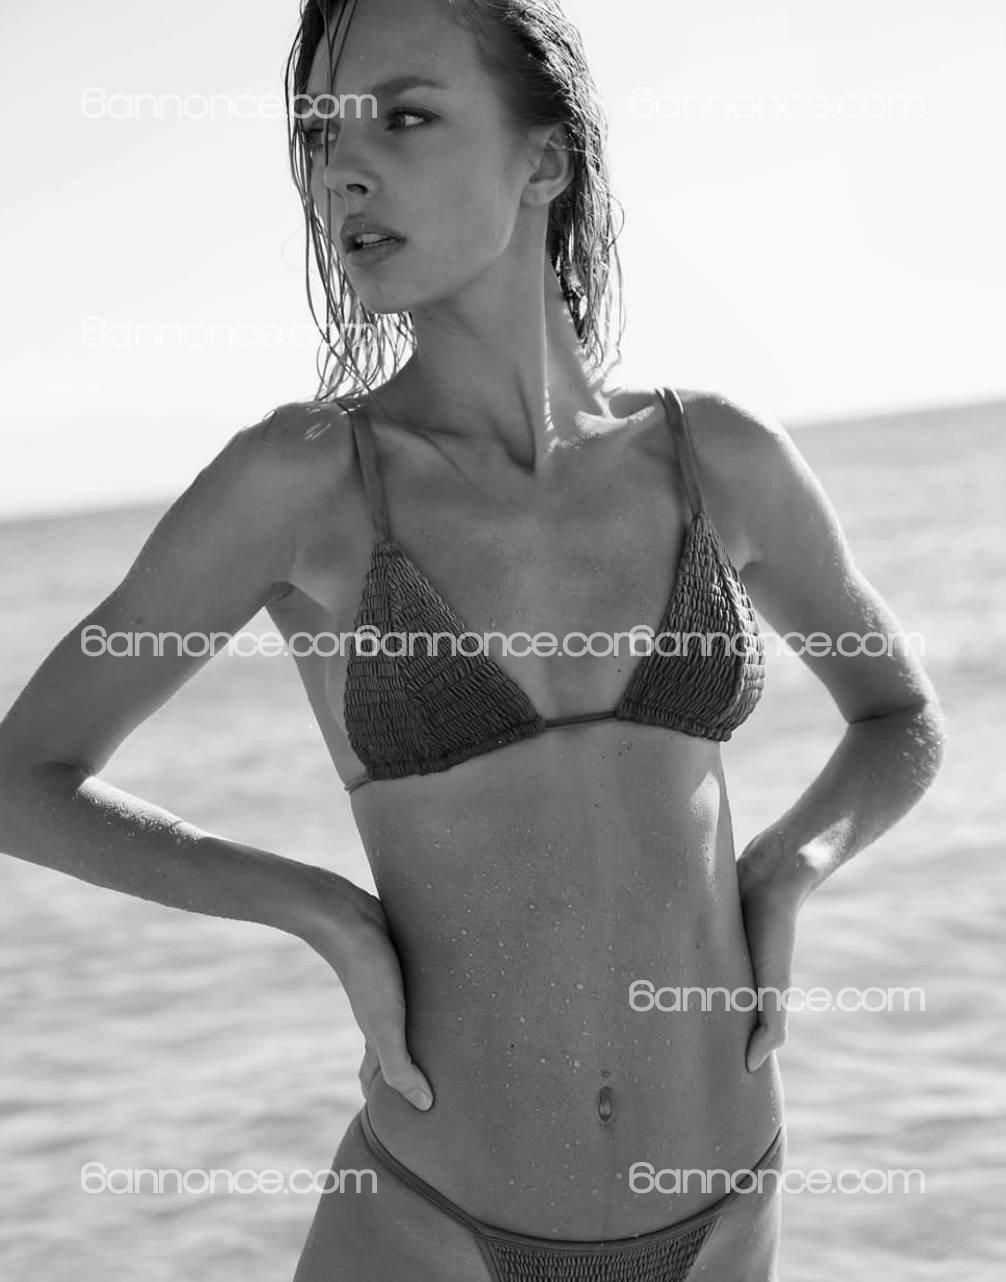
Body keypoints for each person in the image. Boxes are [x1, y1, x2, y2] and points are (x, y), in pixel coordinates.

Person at [0, 1, 945, 1279]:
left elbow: (897, 714)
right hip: (430, 1222)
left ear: (543, 159)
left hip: (726, 1211)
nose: (342, 169)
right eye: (318, 134)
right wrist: (319, 910)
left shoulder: (714, 456)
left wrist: (789, 867)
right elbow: (23, 776)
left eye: (403, 116)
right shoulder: (302, 482)